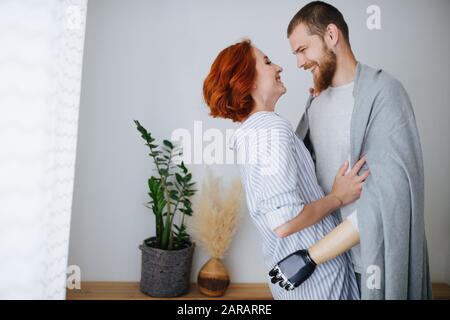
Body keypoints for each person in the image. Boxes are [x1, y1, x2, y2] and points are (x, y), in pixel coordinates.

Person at [272, 1, 431, 300]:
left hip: (370, 262)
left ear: (331, 35)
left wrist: (311, 257)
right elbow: (301, 176)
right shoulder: (315, 103)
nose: (299, 63)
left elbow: (392, 198)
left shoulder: (384, 94)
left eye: (303, 50)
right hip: (331, 269)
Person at [202, 39, 367, 299]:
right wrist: (337, 197)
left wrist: (317, 107)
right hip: (318, 284)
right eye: (266, 62)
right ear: (247, 80)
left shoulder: (255, 133)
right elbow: (284, 221)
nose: (279, 66)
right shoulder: (268, 130)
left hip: (306, 282)